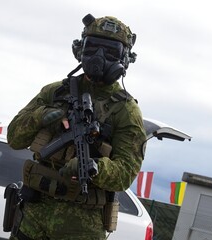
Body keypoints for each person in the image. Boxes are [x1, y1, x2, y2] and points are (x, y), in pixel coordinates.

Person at [7, 13, 146, 240]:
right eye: (93, 48)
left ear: (125, 59)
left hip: (82, 227)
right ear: (80, 49)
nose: (99, 57)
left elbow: (126, 174)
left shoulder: (126, 111)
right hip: (33, 216)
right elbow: (14, 138)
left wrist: (94, 166)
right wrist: (39, 117)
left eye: (111, 52)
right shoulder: (54, 92)